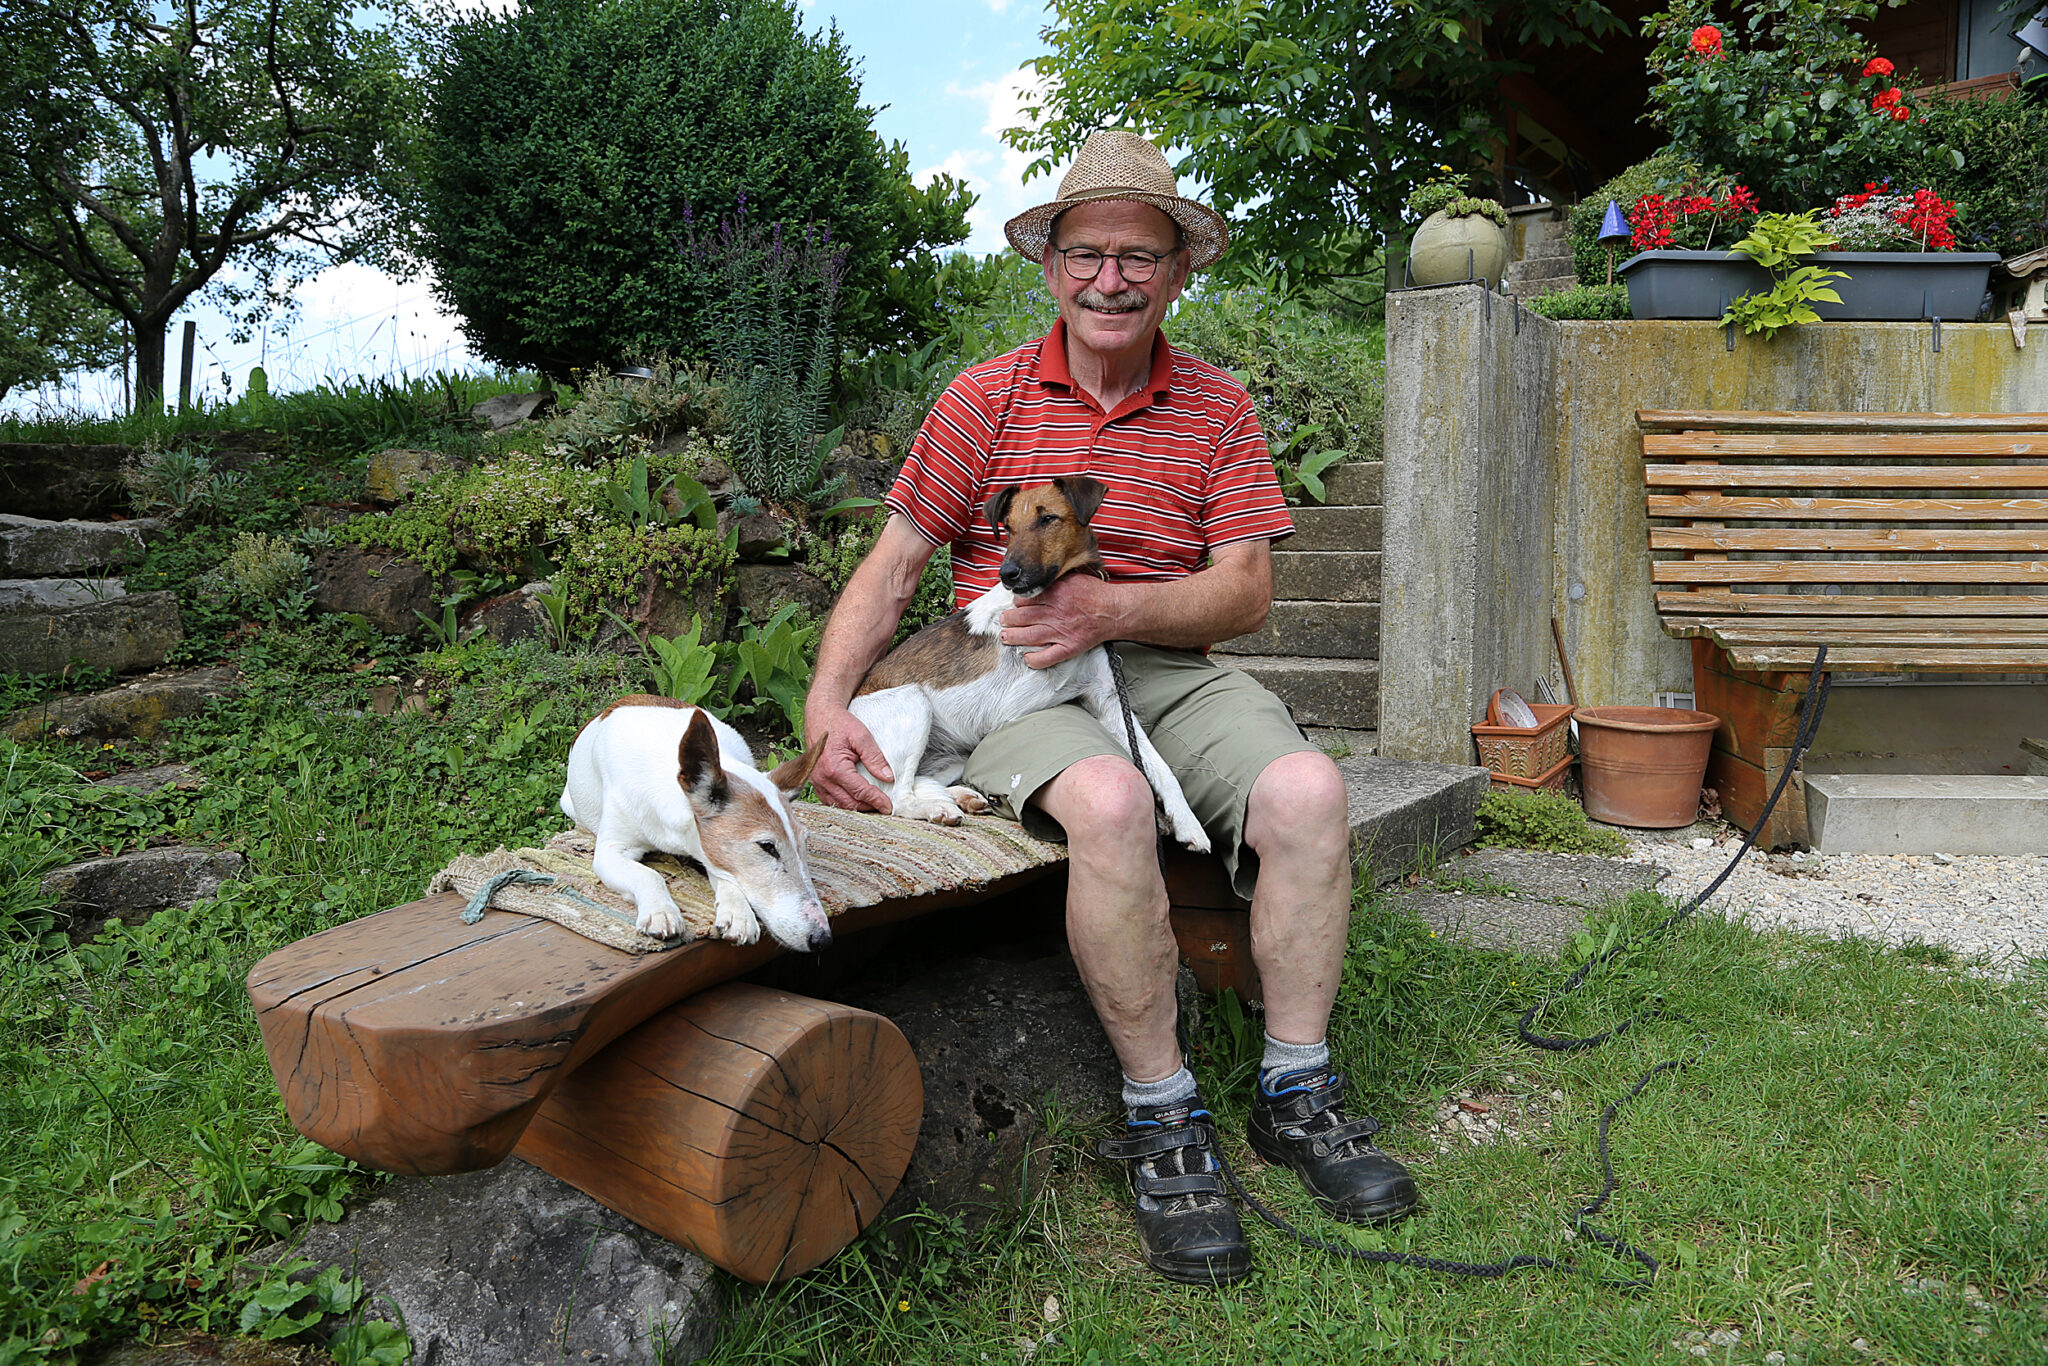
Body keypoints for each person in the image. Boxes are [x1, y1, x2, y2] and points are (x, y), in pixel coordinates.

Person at [802, 130, 1416, 1285]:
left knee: (1306, 788)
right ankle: (1162, 1112)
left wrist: (1111, 612)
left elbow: (1243, 591)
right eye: (1086, 252)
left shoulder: (1217, 409)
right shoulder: (981, 396)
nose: (1111, 278)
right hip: (1018, 676)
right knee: (1105, 794)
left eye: (1139, 255)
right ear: (1051, 267)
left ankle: (1295, 1088)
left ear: (1177, 272)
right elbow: (890, 570)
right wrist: (829, 706)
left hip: (1164, 664)